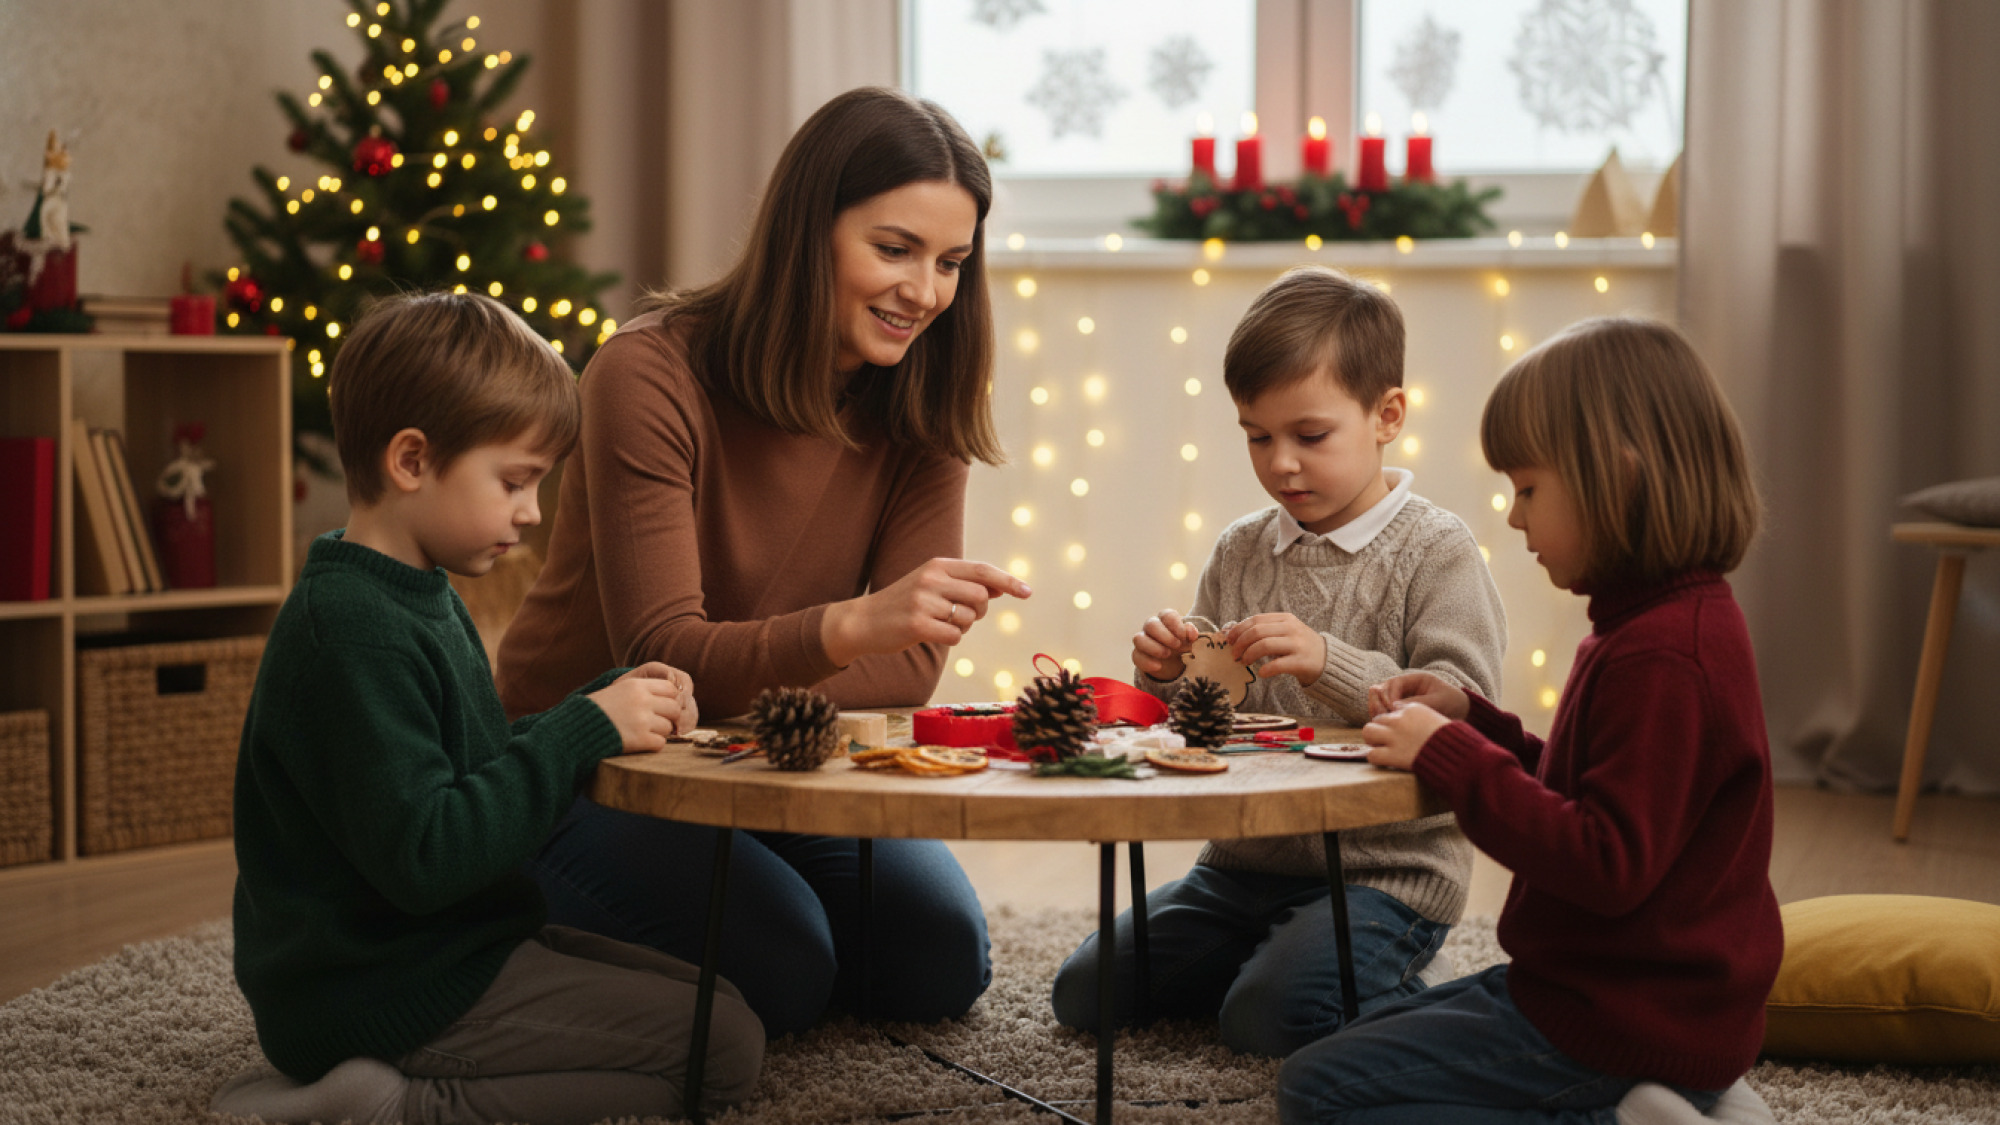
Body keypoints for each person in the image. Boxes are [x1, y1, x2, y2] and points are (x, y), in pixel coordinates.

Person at [494, 86, 1028, 1037]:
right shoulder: (647, 373)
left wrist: (838, 651)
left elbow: (909, 665)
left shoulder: (920, 400)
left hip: (767, 754)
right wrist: (847, 627)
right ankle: (503, 916)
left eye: (952, 262)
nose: (926, 292)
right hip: (589, 761)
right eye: (894, 248)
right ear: (806, 230)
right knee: (783, 975)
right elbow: (658, 653)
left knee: (938, 960)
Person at [214, 292, 764, 1125]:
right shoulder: (349, 629)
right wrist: (583, 730)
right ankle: (394, 1104)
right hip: (379, 984)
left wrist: (596, 706)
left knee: (718, 996)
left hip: (450, 947)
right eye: (514, 481)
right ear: (411, 460)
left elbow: (464, 771)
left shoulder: (412, 591)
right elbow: (432, 854)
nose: (531, 512)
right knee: (725, 1048)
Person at [1280, 316, 1782, 1124]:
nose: (1515, 520)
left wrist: (1450, 756)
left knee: (1318, 1092)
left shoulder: (1662, 655)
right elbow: (1597, 789)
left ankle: (1630, 1114)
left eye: (1528, 489)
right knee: (1357, 1041)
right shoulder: (1661, 621)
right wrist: (1474, 720)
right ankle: (1689, 1100)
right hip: (1616, 993)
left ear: (1616, 477)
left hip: (1622, 1021)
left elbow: (1602, 859)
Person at [1048, 266, 1507, 1057]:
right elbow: (1208, 708)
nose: (1281, 464)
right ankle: (1278, 967)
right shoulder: (1241, 548)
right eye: (1257, 436)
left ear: (1387, 415)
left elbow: (1465, 710)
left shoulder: (1438, 550)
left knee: (1266, 1020)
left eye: (1310, 436)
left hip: (1382, 873)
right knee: (1086, 993)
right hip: (1242, 865)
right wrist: (1167, 668)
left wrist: (1328, 660)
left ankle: (1386, 999)